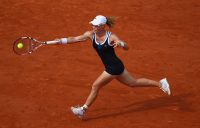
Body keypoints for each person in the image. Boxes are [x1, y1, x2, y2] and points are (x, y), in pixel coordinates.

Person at [47, 15, 171, 119]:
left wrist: (121, 44)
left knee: (95, 86)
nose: (93, 27)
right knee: (133, 83)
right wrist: (61, 40)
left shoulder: (111, 37)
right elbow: (74, 39)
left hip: (113, 68)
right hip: (117, 65)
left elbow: (127, 47)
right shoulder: (90, 35)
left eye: (95, 25)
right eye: (93, 25)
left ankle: (83, 110)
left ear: (102, 26)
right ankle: (161, 84)